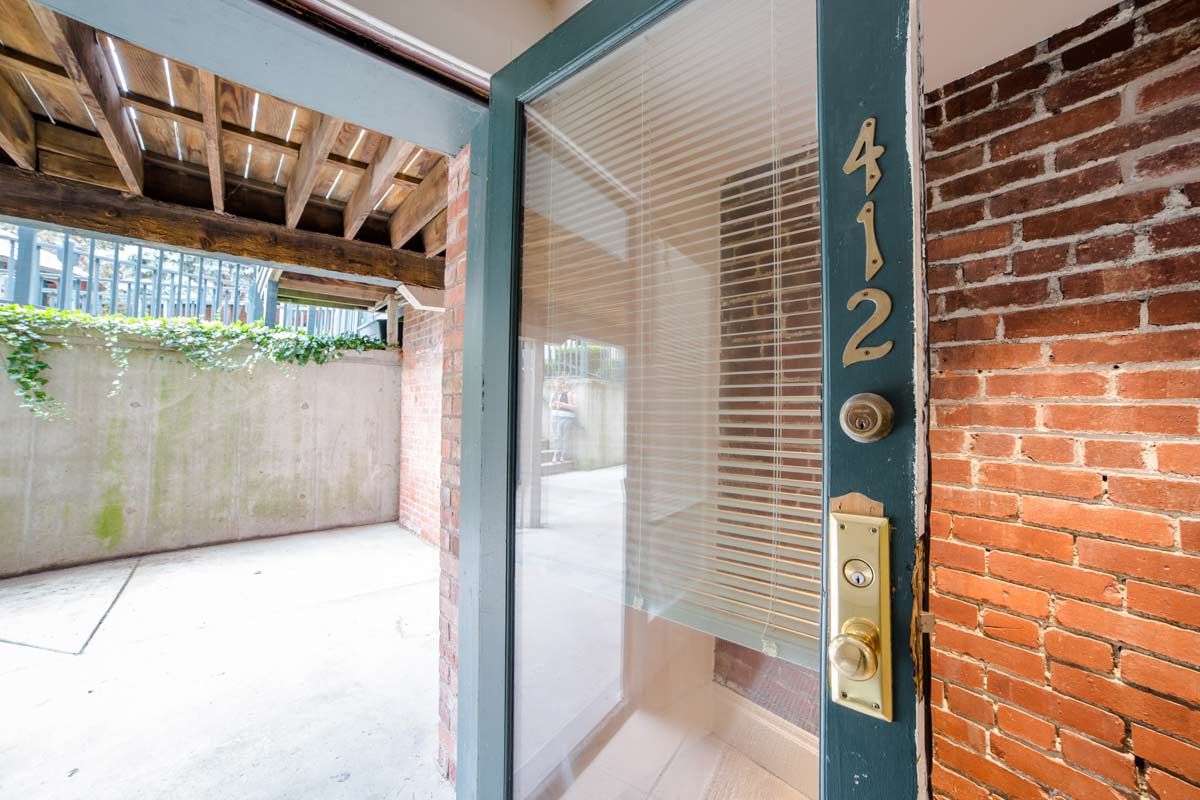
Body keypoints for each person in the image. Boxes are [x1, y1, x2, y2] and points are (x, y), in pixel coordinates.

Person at [549, 379, 577, 464]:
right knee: (557, 437)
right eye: (556, 384)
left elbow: (574, 406)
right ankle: (556, 455)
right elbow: (550, 405)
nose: (558, 386)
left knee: (564, 437)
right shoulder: (554, 394)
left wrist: (563, 405)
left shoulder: (569, 394)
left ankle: (562, 456)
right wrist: (553, 405)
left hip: (566, 417)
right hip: (556, 416)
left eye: (559, 384)